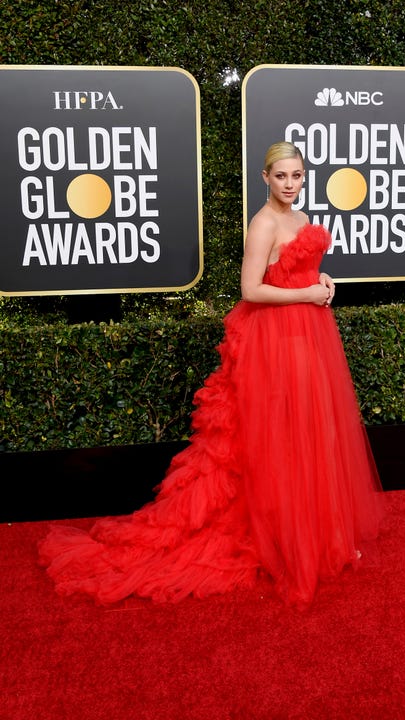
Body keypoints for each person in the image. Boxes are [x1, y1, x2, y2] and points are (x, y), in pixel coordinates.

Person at [38, 141, 383, 610]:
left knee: (310, 433)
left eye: (297, 175)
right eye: (281, 176)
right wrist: (306, 294)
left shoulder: (302, 220)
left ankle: (324, 537)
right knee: (275, 439)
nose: (290, 184)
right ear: (265, 178)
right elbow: (250, 289)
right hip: (275, 340)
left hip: (311, 337)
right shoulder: (261, 224)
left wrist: (324, 282)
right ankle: (284, 543)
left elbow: (303, 269)